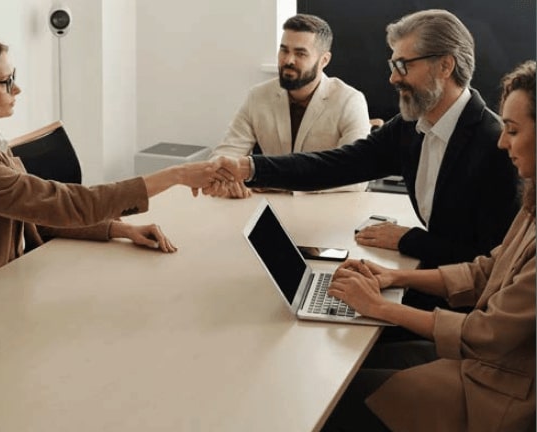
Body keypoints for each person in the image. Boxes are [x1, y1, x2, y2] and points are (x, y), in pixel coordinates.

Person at [210, 9, 520, 312]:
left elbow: (492, 263)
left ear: (445, 66)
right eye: (392, 65)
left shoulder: (496, 146)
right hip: (424, 282)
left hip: (460, 309)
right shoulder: (411, 126)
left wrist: (409, 240)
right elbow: (338, 164)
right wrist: (250, 168)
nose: (392, 78)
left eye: (402, 66)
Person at [0, 35, 230, 308]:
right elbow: (63, 203)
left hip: (4, 289)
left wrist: (120, 230)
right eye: (6, 81)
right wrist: (174, 175)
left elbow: (37, 214)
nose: (18, 89)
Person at [321, 59, 536, 432]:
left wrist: (376, 306)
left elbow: (485, 335)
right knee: (357, 361)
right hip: (488, 366)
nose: (502, 142)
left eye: (513, 131)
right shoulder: (532, 203)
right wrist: (394, 278)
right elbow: (484, 271)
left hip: (499, 391)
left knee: (332, 397)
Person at [210, 14, 370, 198]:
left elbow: (358, 175)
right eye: (284, 50)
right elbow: (224, 154)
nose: (288, 60)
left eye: (300, 53)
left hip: (326, 211)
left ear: (324, 60)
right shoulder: (258, 96)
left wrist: (280, 181)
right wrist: (228, 178)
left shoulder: (349, 100)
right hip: (266, 209)